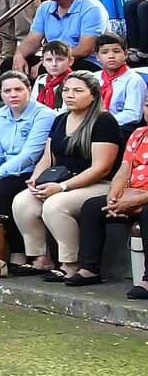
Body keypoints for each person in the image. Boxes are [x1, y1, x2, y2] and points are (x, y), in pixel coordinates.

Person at [8, 72, 120, 281]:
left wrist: (62, 187)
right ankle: (41, 258)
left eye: (77, 91)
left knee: (55, 205)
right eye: (66, 90)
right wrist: (36, 179)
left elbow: (101, 168)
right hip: (61, 180)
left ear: (93, 95)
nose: (69, 95)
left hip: (99, 183)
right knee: (23, 201)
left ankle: (71, 263)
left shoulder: (104, 121)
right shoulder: (60, 119)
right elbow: (47, 157)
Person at [0, 71, 56, 259]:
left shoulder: (44, 115)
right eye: (7, 91)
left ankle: (17, 250)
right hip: (3, 169)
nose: (13, 95)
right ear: (1, 93)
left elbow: (30, 155)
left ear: (29, 90)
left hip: (32, 171)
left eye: (18, 89)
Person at [80, 118, 148, 298]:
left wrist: (136, 201)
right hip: (131, 194)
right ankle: (89, 269)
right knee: (92, 207)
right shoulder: (139, 134)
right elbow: (124, 169)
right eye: (147, 105)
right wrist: (113, 197)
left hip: (143, 197)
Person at [12, 0, 110, 74]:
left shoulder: (92, 8)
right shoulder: (45, 7)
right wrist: (19, 55)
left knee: (44, 69)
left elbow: (84, 50)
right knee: (9, 64)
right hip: (54, 57)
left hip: (85, 61)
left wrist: (49, 61)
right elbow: (32, 41)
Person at [94, 33, 145, 137]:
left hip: (121, 127)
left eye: (116, 51)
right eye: (105, 52)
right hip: (94, 123)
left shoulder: (134, 80)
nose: (111, 56)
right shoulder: (93, 78)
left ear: (125, 54)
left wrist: (103, 123)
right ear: (97, 57)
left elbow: (133, 115)